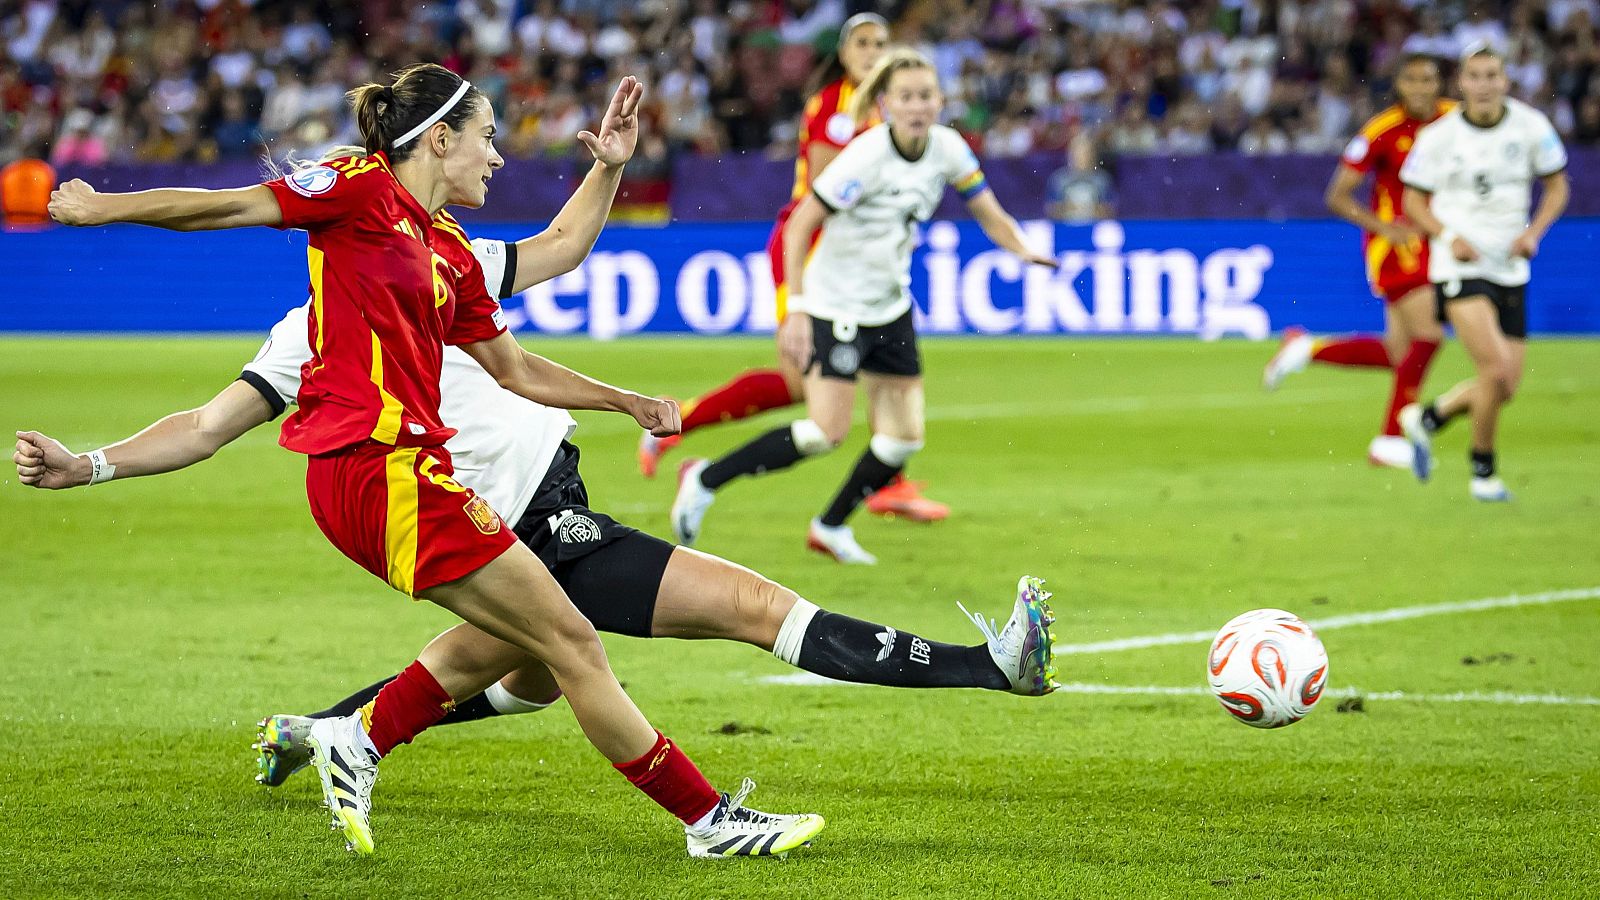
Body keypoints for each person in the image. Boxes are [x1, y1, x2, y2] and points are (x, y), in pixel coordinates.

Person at [14, 164, 1060, 804]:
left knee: (513, 679)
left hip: (545, 508)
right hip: (514, 525)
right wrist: (91, 462)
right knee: (746, 606)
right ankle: (986, 667)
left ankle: (327, 730)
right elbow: (204, 426)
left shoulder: (438, 259)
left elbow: (556, 251)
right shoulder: (303, 339)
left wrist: (606, 167)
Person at [29, 65, 823, 859]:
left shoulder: (447, 252)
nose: (497, 159)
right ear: (439, 138)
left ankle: (357, 738)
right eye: (486, 138)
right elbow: (229, 211)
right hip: (375, 471)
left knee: (539, 646)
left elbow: (517, 368)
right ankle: (708, 823)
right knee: (572, 645)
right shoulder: (357, 187)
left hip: (407, 475)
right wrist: (106, 209)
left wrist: (626, 401)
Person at [668, 48, 1057, 565]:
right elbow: (801, 224)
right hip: (838, 305)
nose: (918, 106)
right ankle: (705, 478)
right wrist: (800, 307)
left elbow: (988, 211)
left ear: (940, 100)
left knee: (902, 438)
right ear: (885, 104)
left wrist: (1023, 248)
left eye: (926, 96)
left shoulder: (948, 148)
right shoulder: (867, 157)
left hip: (890, 305)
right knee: (825, 432)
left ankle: (828, 527)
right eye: (906, 97)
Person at [635, 15, 950, 524]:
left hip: (852, 262)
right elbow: (829, 196)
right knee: (810, 380)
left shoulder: (886, 109)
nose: (873, 52)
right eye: (863, 44)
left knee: (853, 372)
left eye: (881, 44)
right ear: (844, 53)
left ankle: (887, 478)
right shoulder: (835, 107)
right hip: (813, 253)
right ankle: (680, 425)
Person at [1262, 54, 1452, 470]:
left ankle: (1307, 349)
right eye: (1412, 80)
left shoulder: (1454, 120)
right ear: (1399, 85)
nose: (1420, 88)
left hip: (1437, 243)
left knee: (1401, 354)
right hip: (1397, 247)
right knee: (1430, 336)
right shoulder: (1382, 131)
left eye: (1428, 80)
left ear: (1439, 83)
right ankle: (1390, 438)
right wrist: (1384, 229)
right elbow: (1337, 195)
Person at [1398, 44, 1569, 501]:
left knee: (1505, 386)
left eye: (1493, 74)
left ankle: (1427, 418)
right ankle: (1483, 474)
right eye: (1476, 75)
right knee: (1492, 370)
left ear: (1505, 80)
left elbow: (1557, 185)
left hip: (1511, 266)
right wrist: (1447, 235)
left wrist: (1535, 231)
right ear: (1463, 84)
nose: (1485, 84)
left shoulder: (1532, 126)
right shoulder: (1439, 137)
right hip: (1459, 265)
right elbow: (1412, 200)